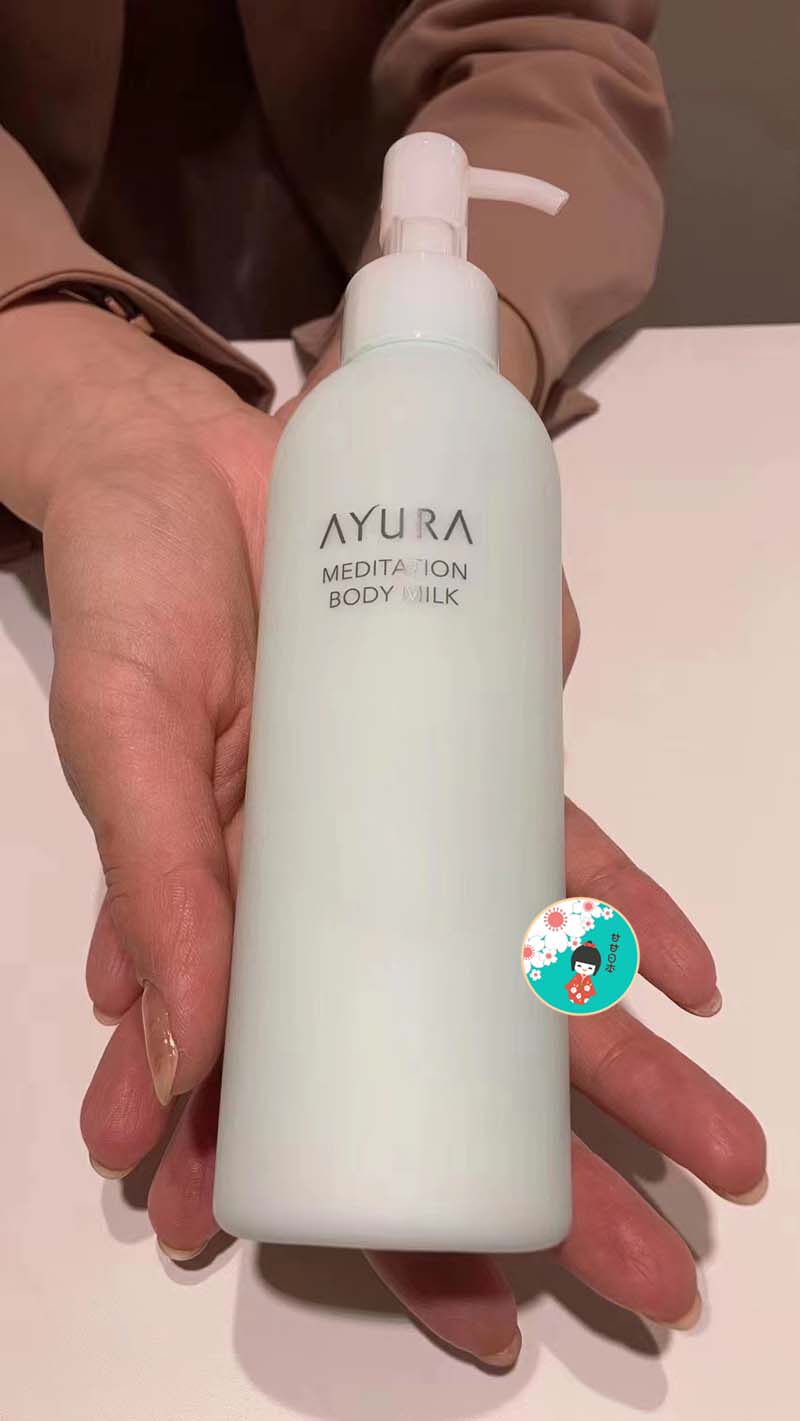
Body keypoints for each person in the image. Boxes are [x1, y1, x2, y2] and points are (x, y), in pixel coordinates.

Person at [0, 0, 766, 1370]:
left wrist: (487, 347)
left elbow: (554, 36)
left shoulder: (453, 429)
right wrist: (75, 390)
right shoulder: (346, 439)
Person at [566, 942, 602, 1007]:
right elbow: (570, 986)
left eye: (590, 968)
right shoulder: (576, 978)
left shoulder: (588, 979)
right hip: (573, 996)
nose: (584, 969)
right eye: (579, 965)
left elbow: (589, 989)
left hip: (584, 998)